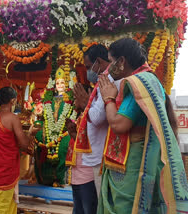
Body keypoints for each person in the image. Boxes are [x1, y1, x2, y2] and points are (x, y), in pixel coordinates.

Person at [97, 38, 188, 213]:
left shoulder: (139, 84)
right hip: (133, 159)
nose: (108, 69)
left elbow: (118, 124)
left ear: (121, 61)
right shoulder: (149, 81)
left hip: (134, 163)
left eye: (110, 62)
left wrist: (108, 98)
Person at [65, 44, 119, 214]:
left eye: (89, 67)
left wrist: (85, 104)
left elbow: (96, 118)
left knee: (93, 209)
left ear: (99, 62)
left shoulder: (109, 80)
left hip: (97, 159)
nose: (88, 72)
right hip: (90, 158)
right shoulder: (100, 82)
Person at [34, 67, 77, 187]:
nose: (59, 85)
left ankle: (61, 178)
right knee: (39, 141)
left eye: (62, 82)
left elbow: (73, 116)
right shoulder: (49, 100)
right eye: (57, 83)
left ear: (67, 84)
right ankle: (45, 178)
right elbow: (45, 116)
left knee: (64, 147)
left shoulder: (70, 100)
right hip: (49, 131)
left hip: (64, 132)